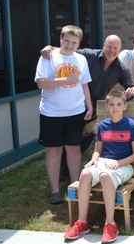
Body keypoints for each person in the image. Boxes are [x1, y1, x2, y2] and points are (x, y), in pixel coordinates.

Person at [40, 35, 134, 180]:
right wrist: (52, 49)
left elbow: (130, 84)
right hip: (76, 105)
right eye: (109, 47)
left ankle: (67, 171)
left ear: (120, 50)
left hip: (93, 111)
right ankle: (63, 170)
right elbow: (69, 50)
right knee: (65, 143)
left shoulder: (121, 68)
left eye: (115, 48)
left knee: (81, 143)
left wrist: (132, 89)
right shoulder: (88, 55)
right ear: (104, 45)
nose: (111, 51)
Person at [63, 91, 134, 244]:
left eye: (119, 104)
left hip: (124, 165)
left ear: (125, 106)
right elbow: (98, 150)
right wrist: (93, 160)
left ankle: (110, 224)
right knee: (85, 174)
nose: (115, 107)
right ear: (106, 107)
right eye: (111, 104)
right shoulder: (102, 126)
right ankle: (82, 223)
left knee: (105, 176)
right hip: (104, 161)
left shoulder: (131, 125)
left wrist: (119, 163)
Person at [35, 25, 93, 204]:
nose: (69, 45)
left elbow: (84, 84)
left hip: (75, 112)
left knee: (74, 150)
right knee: (54, 150)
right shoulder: (48, 57)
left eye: (74, 42)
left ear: (79, 44)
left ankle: (75, 187)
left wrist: (89, 106)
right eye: (66, 40)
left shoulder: (81, 59)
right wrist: (65, 80)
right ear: (60, 38)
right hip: (51, 113)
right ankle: (55, 191)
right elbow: (41, 83)